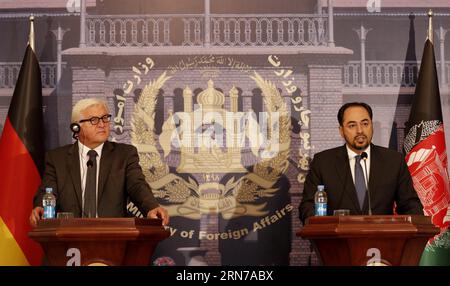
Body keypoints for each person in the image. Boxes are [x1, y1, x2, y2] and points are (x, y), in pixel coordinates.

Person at [29, 98, 169, 226]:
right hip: (68, 238)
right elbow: (48, 191)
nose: (102, 124)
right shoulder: (57, 158)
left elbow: (137, 186)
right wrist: (41, 207)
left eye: (105, 118)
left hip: (114, 237)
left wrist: (151, 207)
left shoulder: (124, 155)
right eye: (94, 120)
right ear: (76, 128)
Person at [298, 102, 423, 223]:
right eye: (352, 125)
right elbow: (307, 207)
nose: (360, 131)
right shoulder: (323, 162)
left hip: (382, 241)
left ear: (372, 126)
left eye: (365, 123)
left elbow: (410, 205)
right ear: (341, 131)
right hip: (336, 242)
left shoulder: (393, 161)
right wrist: (320, 227)